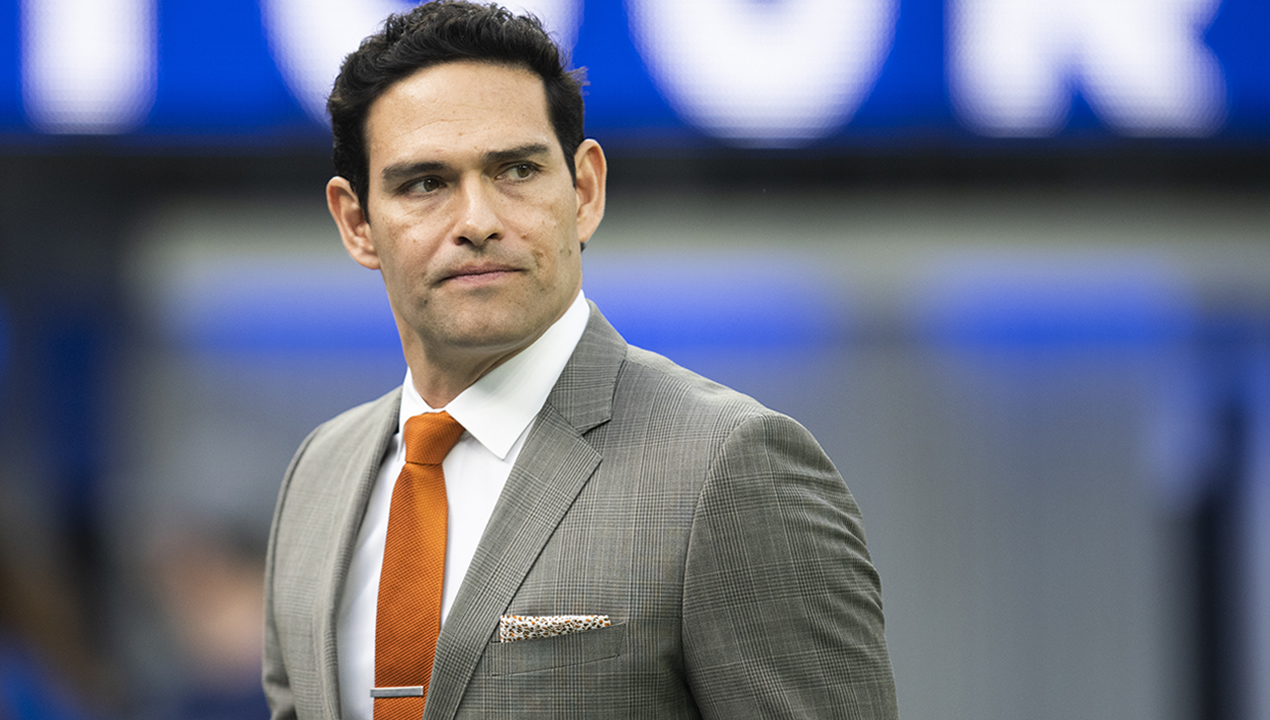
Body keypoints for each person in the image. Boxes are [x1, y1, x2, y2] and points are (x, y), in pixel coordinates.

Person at [261, 2, 897, 718]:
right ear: (356, 223)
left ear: (585, 190)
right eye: (425, 184)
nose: (477, 221)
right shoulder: (320, 475)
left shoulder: (727, 467)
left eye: (516, 170)